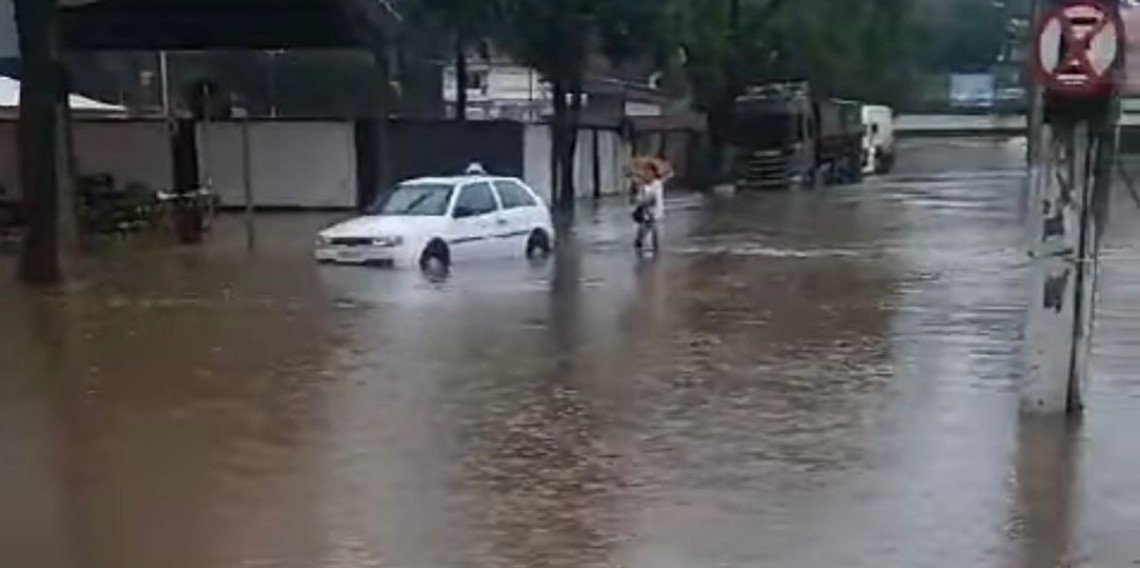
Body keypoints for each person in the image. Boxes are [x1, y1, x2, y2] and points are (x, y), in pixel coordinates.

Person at [633, 158, 669, 252]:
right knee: (639, 240)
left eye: (649, 171)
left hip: (655, 216)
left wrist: (644, 198)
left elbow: (653, 198)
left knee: (655, 240)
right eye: (645, 171)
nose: (647, 174)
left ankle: (655, 257)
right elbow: (639, 199)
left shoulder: (657, 185)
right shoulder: (643, 186)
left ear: (653, 173)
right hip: (645, 216)